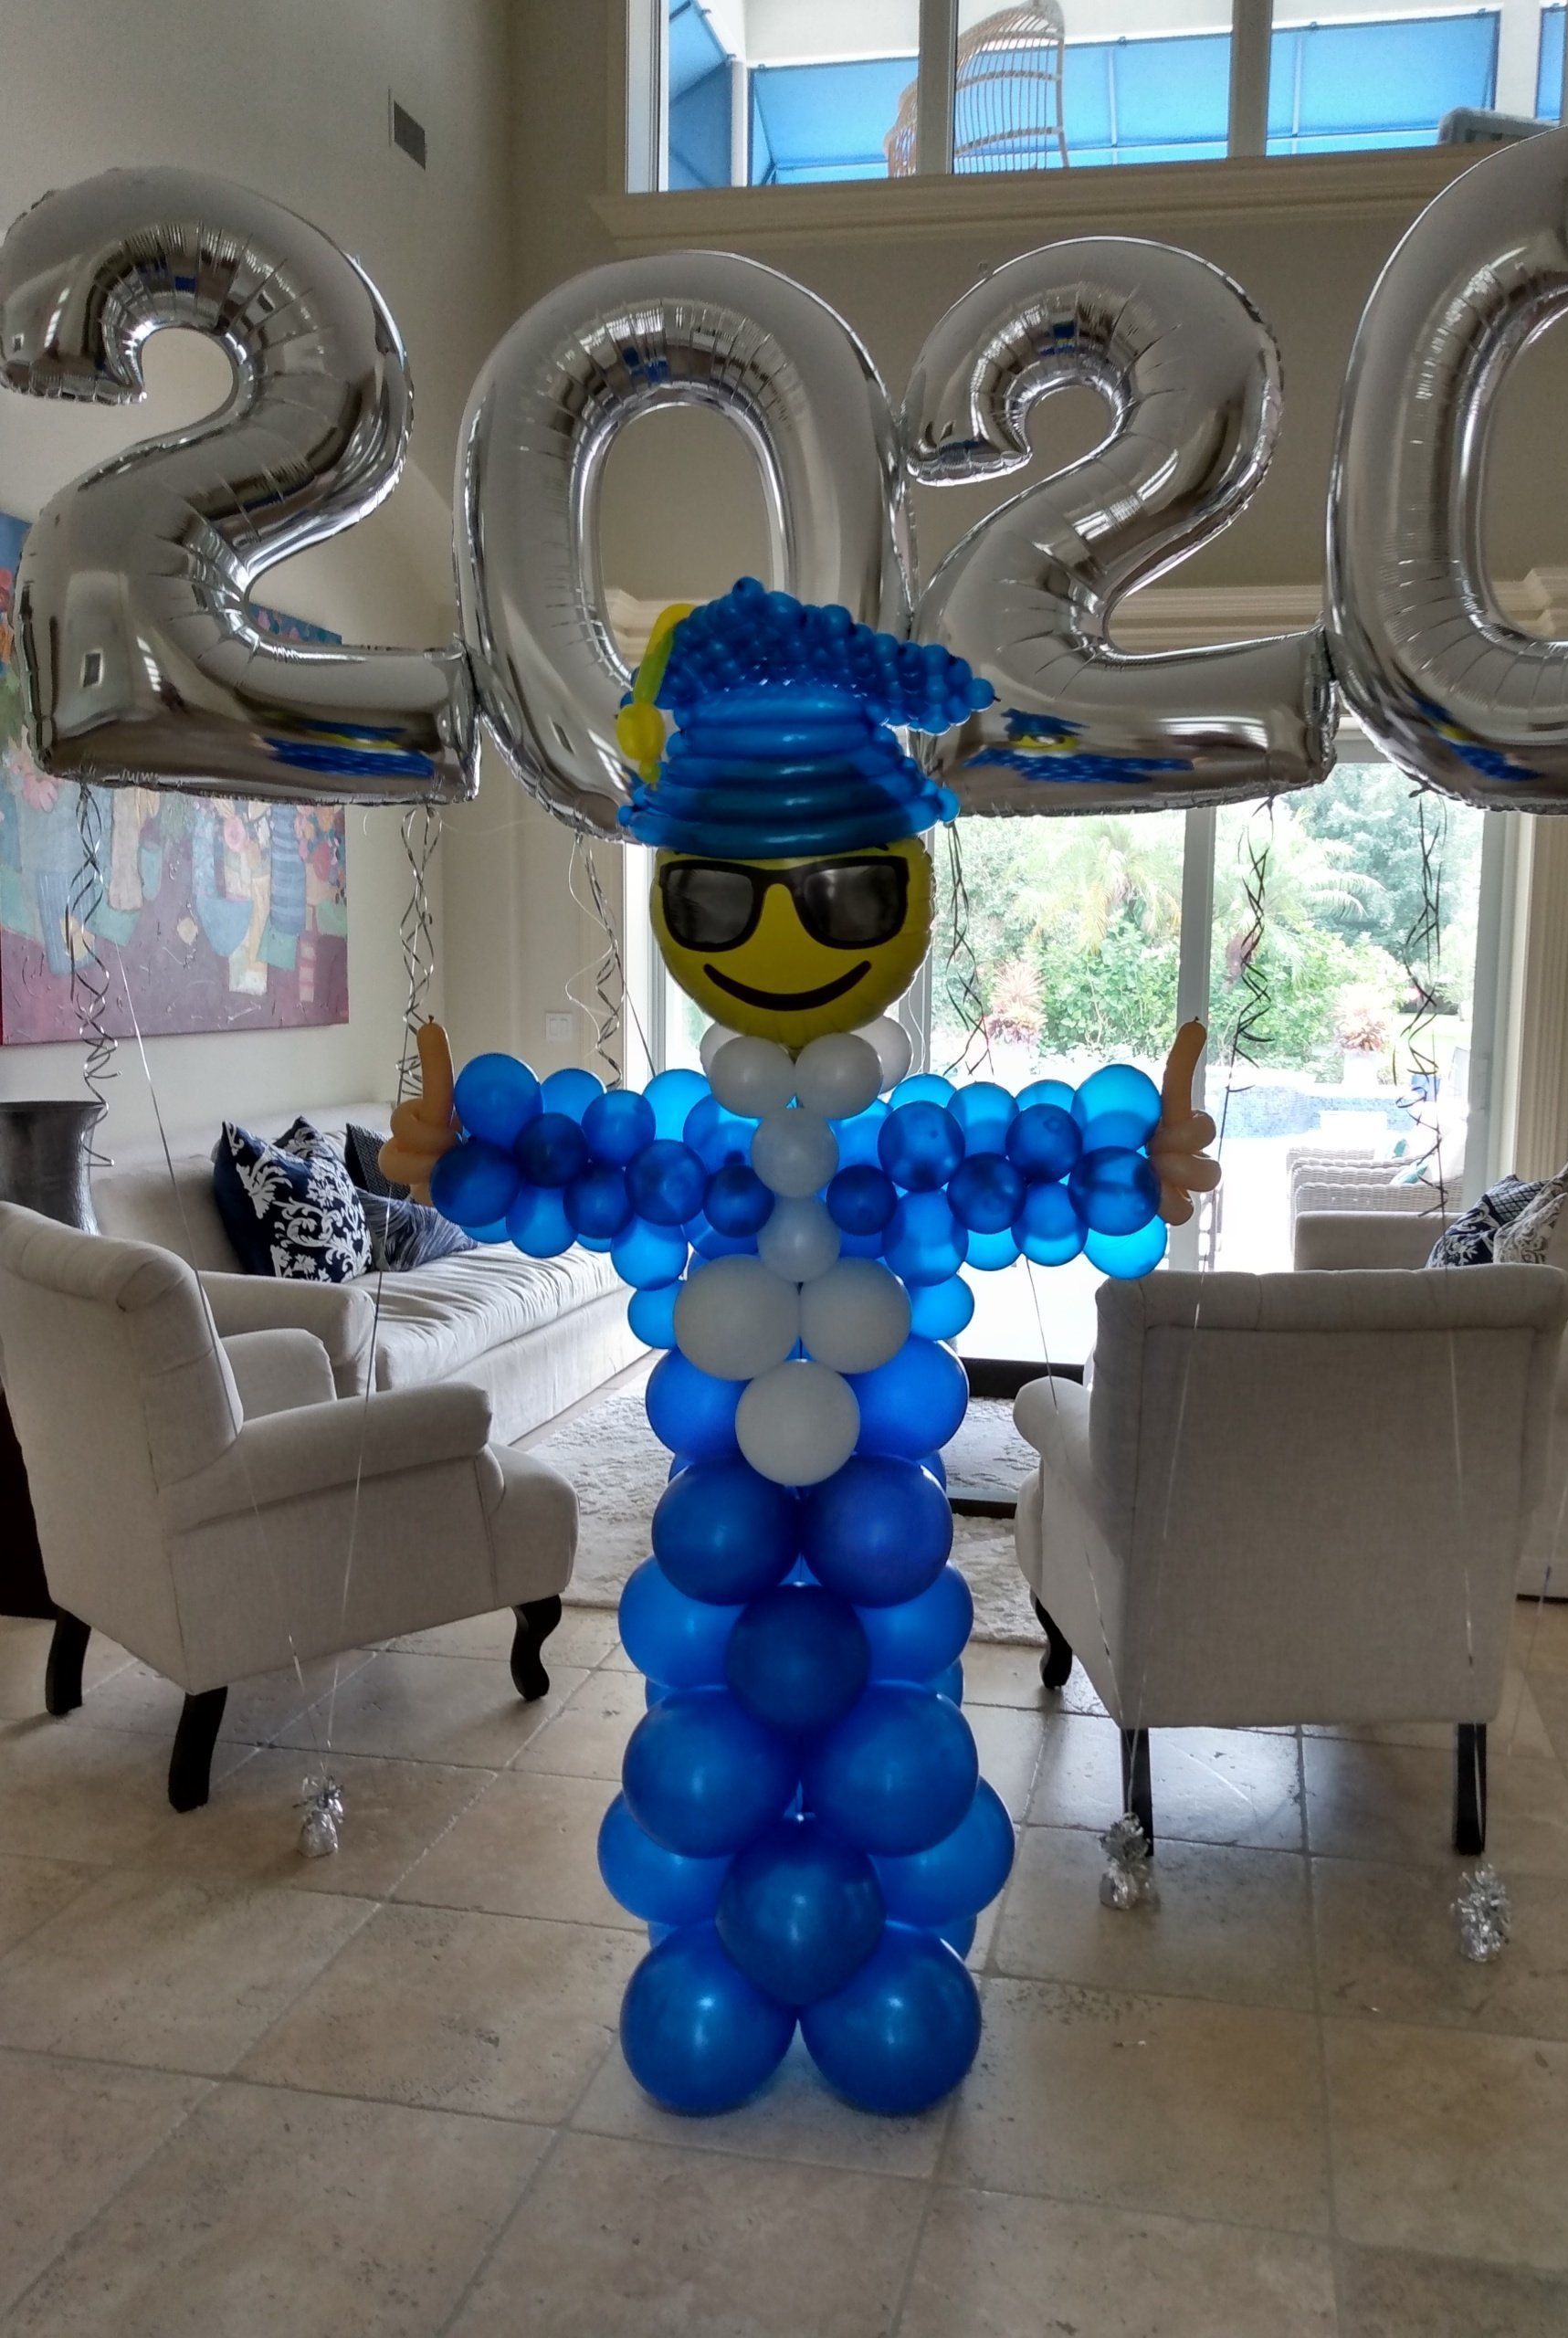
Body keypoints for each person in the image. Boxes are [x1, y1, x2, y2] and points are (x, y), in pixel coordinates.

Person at [407, 579, 1219, 2117]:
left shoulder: (899, 1149)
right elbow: (577, 1163)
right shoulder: (698, 1145)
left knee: (876, 1695)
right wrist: (451, 1150)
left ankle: (876, 1966)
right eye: (720, 900)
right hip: (722, 1515)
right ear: (676, 904)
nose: (783, 932)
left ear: (902, 898)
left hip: (878, 1511)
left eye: (845, 898)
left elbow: (1026, 1165)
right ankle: (722, 1958)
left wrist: (1143, 1163)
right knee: (722, 1683)